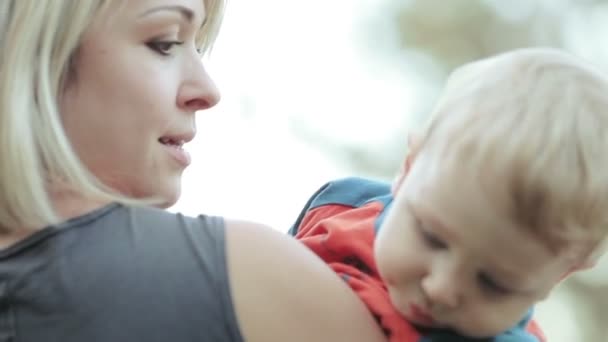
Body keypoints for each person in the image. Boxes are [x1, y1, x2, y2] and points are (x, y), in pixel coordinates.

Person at [0, 1, 388, 341]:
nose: (207, 90)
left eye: (198, 47)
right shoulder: (246, 278)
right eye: (165, 43)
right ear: (32, 51)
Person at [289, 48, 608, 341]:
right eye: (432, 238)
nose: (440, 288)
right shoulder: (340, 206)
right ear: (409, 169)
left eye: (493, 283)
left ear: (559, 274)